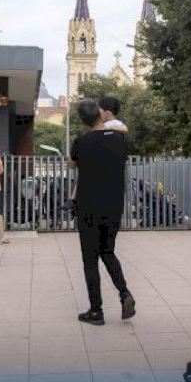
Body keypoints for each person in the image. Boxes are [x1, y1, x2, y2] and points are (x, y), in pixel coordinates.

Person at [70, 99, 135, 326]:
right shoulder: (119, 140)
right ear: (100, 113)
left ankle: (96, 311)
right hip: (113, 206)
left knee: (90, 259)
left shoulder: (81, 142)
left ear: (83, 121)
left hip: (88, 207)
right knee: (108, 251)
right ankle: (125, 293)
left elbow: (71, 164)